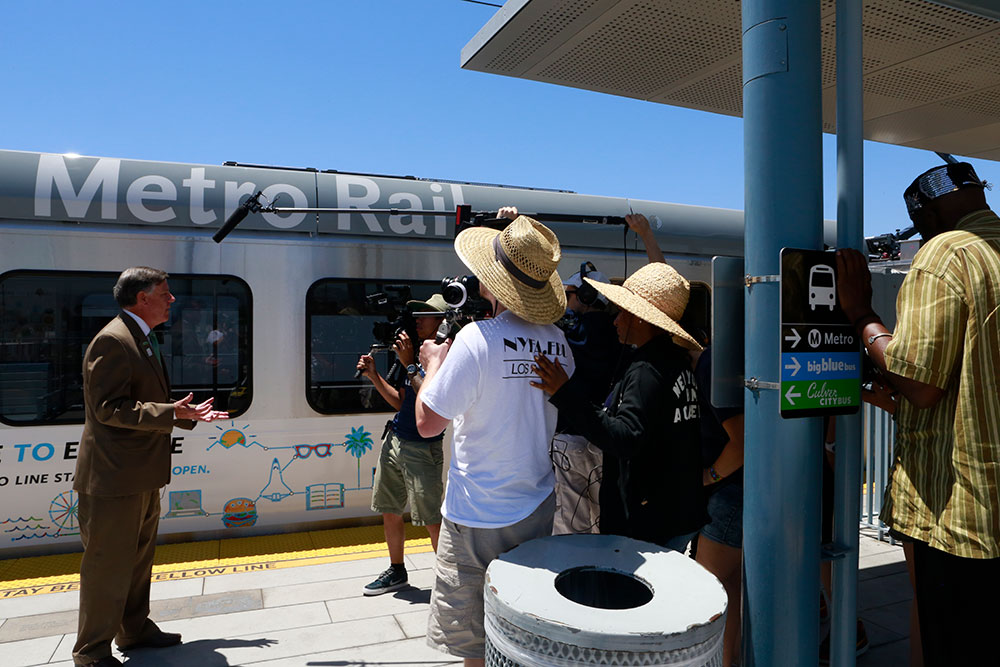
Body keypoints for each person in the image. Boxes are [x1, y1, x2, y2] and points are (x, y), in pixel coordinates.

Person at [836, 162, 1000, 665]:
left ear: (928, 210)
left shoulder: (947, 253)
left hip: (960, 515)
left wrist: (861, 312)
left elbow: (920, 383)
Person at [415, 214, 575, 666]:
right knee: (519, 628)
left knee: (474, 642)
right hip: (537, 505)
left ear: (491, 280)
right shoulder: (559, 342)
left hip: (476, 515)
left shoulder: (476, 339)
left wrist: (431, 367)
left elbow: (428, 423)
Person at [72, 267, 228, 667]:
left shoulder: (139, 337)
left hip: (139, 473)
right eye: (165, 293)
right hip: (114, 478)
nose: (172, 299)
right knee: (107, 564)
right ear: (142, 298)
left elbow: (139, 402)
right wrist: (169, 412)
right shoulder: (113, 339)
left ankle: (134, 628)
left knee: (138, 559)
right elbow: (108, 409)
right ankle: (91, 652)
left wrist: (181, 414)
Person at [533, 261, 708, 553]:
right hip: (680, 510)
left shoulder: (647, 370)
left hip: (652, 522)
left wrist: (564, 393)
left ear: (640, 319)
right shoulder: (676, 363)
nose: (615, 320)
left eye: (622, 312)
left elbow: (625, 438)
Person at [548, 213, 663, 534]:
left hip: (571, 436)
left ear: (584, 297)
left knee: (570, 520)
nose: (565, 302)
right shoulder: (622, 336)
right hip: (606, 436)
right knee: (600, 514)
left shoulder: (567, 334)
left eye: (569, 295)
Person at [356, 294, 448, 596]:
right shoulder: (417, 352)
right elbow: (402, 402)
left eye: (425, 315)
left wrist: (409, 365)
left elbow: (431, 401)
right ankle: (396, 570)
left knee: (432, 519)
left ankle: (449, 583)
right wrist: (374, 376)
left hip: (423, 448)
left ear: (442, 321)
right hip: (396, 438)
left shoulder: (444, 354)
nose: (417, 320)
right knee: (389, 509)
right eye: (417, 315)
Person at [691, 345, 744, 666]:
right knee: (729, 584)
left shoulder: (713, 362)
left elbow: (741, 439)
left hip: (729, 493)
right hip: (741, 491)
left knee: (709, 589)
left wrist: (709, 476)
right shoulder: (726, 356)